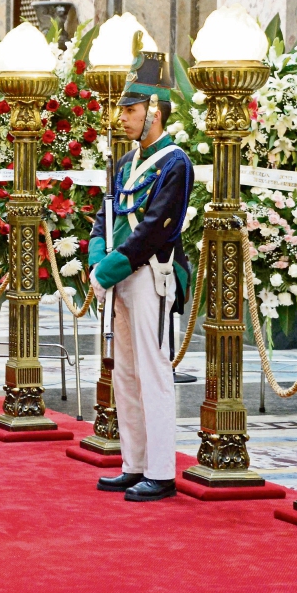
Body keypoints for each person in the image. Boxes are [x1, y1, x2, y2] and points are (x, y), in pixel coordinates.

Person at [87, 50, 192, 502]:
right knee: (124, 372)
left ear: (155, 111)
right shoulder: (126, 163)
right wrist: (97, 259)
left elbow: (156, 228)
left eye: (130, 110)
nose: (122, 117)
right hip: (120, 276)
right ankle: (134, 463)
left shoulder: (175, 163)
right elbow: (103, 218)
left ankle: (162, 471)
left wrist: (109, 269)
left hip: (152, 275)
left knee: (153, 372)